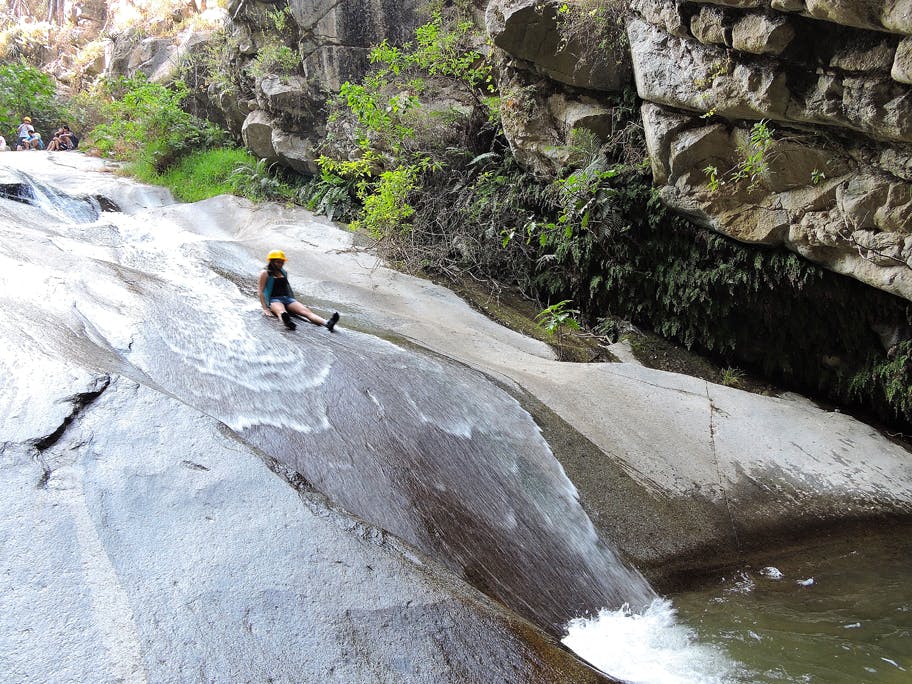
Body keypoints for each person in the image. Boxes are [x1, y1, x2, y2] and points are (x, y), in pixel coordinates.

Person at [258, 250, 340, 332]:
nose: (280, 264)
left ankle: (327, 323)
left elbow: (286, 288)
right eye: (278, 262)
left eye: (282, 262)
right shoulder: (265, 273)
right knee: (282, 312)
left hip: (288, 299)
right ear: (271, 262)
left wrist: (294, 300)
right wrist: (265, 308)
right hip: (274, 300)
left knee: (306, 312)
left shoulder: (284, 272)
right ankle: (287, 323)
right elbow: (261, 291)